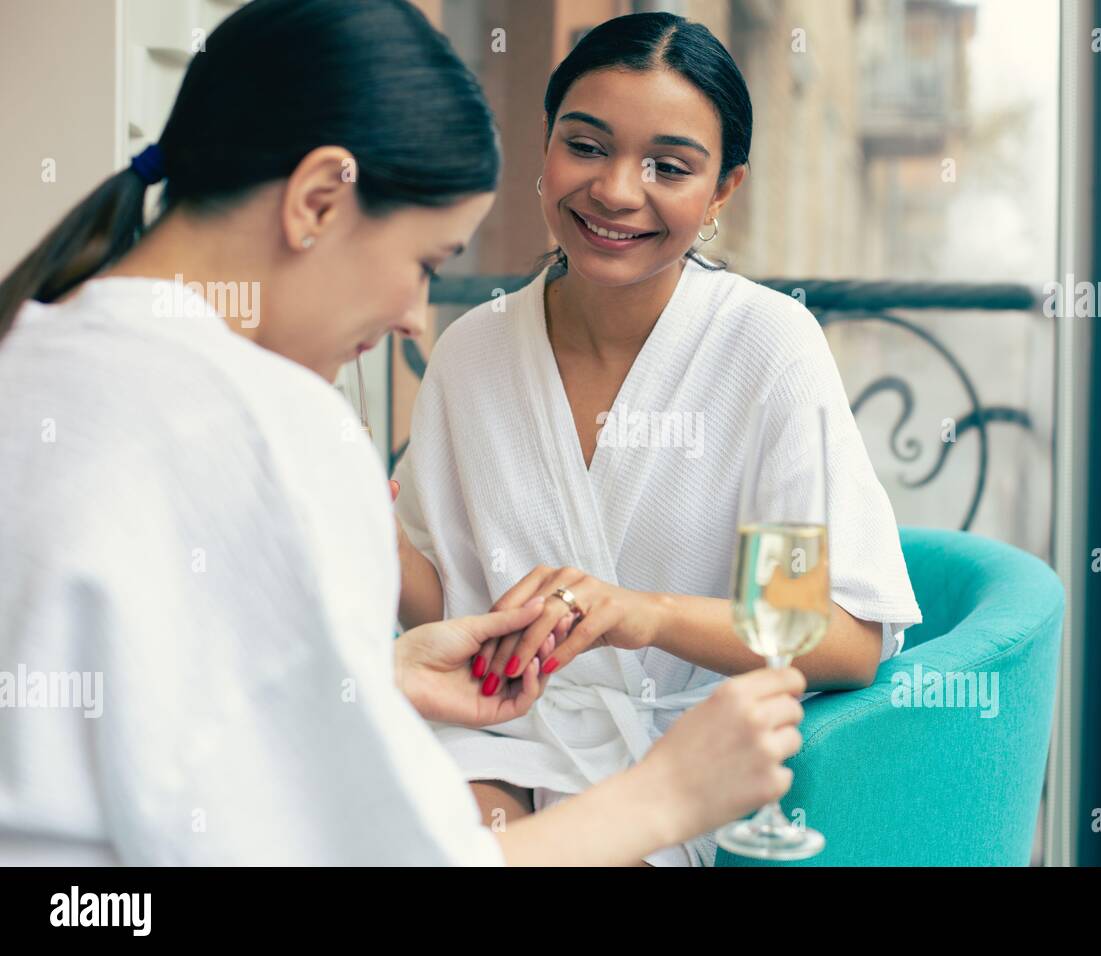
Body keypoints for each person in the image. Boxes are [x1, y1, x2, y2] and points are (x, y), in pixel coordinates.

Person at [0, 0, 807, 866]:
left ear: (725, 185)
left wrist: (368, 679)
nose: (416, 321)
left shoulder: (31, 353)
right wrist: (669, 797)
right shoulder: (283, 429)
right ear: (317, 201)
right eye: (424, 264)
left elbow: (136, 713)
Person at [393, 12, 921, 867]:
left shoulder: (766, 347)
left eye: (668, 167)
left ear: (723, 191)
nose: (616, 191)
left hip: (683, 767)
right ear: (545, 144)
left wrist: (643, 615)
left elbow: (848, 639)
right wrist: (353, 521)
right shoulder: (473, 350)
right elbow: (448, 597)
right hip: (495, 732)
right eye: (587, 145)